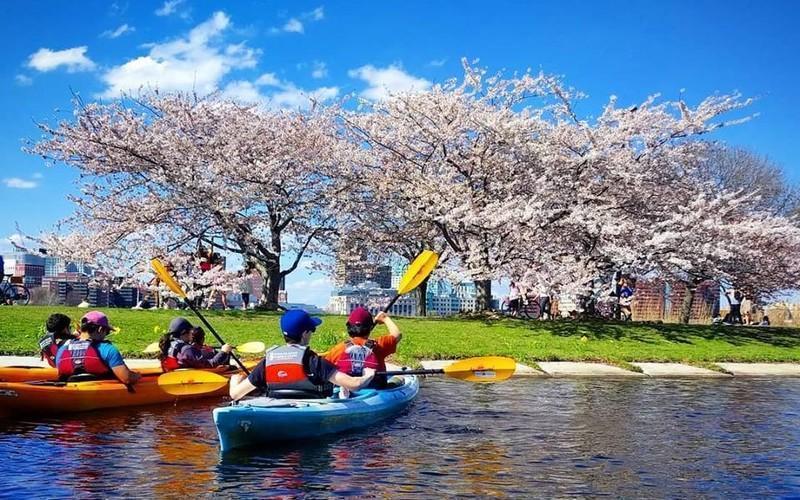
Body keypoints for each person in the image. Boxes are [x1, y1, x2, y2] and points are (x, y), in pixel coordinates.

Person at [229, 309, 375, 401]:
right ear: (305, 334)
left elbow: (235, 395)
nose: (312, 333)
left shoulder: (268, 362)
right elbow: (354, 385)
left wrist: (234, 381)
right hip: (313, 411)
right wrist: (368, 374)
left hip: (276, 409)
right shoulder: (314, 362)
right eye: (312, 330)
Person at [324, 307, 401, 389]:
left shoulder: (338, 349)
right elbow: (397, 335)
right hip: (375, 390)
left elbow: (325, 370)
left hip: (347, 391)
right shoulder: (379, 345)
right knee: (400, 379)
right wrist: (385, 318)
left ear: (349, 327)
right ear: (370, 328)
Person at [56, 311, 141, 385]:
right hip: (101, 397)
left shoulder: (62, 349)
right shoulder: (107, 349)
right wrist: (137, 375)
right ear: (100, 329)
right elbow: (127, 379)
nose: (105, 335)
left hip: (70, 394)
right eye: (107, 332)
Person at [158, 317, 233, 371]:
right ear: (184, 332)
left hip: (175, 374)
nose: (192, 334)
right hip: (188, 379)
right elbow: (211, 364)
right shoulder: (186, 349)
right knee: (232, 368)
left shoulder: (170, 344)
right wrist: (224, 352)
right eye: (190, 331)